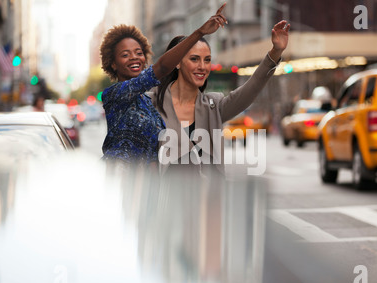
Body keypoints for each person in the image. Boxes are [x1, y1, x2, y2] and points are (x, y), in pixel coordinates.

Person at [150, 20, 290, 177]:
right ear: (177, 63)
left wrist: (275, 52)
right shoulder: (151, 103)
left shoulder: (213, 106)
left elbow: (250, 90)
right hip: (163, 197)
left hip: (205, 197)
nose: (202, 66)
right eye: (194, 59)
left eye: (207, 60)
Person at [99, 3, 227, 168]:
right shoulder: (114, 95)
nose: (134, 58)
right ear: (113, 64)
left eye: (139, 53)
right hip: (117, 181)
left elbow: (155, 156)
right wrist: (199, 32)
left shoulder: (148, 101)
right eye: (125, 54)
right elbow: (162, 68)